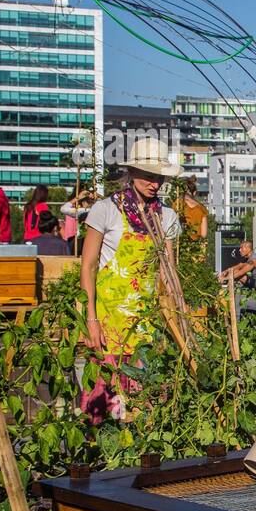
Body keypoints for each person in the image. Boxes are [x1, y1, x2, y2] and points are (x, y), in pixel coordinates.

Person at [79, 137, 182, 421]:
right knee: (104, 400)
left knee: (145, 402)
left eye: (159, 177)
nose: (155, 184)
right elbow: (87, 267)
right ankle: (99, 459)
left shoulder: (167, 217)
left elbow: (168, 271)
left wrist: (176, 317)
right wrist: (91, 320)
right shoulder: (106, 210)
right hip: (109, 321)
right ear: (132, 173)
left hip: (146, 323)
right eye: (149, 176)